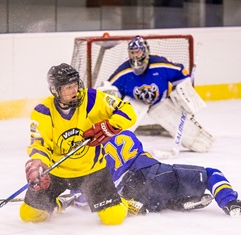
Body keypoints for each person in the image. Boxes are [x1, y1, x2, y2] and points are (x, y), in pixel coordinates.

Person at [19, 63, 137, 225]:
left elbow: (128, 110)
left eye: (75, 85)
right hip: (57, 173)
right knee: (28, 215)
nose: (74, 91)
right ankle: (59, 204)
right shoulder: (43, 111)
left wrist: (110, 126)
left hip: (92, 172)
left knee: (113, 218)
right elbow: (39, 145)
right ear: (55, 90)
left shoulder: (92, 99)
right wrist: (40, 164)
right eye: (68, 87)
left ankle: (120, 201)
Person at [72, 130, 241, 217]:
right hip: (156, 175)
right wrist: (229, 200)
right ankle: (230, 203)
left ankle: (144, 204)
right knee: (211, 174)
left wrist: (72, 198)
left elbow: (86, 196)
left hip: (131, 192)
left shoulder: (87, 152)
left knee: (147, 197)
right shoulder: (125, 133)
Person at [98, 35, 215, 153]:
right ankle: (111, 146)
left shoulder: (160, 64)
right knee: (121, 126)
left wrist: (183, 93)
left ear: (145, 51)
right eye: (132, 52)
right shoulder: (124, 70)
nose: (135, 56)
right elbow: (110, 88)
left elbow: (181, 74)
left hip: (160, 101)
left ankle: (197, 139)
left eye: (137, 52)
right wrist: (110, 94)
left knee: (199, 144)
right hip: (134, 103)